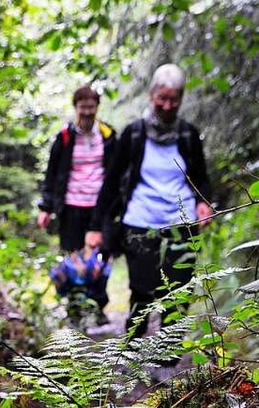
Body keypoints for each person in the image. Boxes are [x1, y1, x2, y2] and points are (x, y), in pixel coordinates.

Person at [86, 63, 214, 346]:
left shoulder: (188, 135)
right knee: (142, 291)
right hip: (139, 225)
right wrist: (96, 227)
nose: (167, 105)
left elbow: (201, 178)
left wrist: (204, 203)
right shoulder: (133, 134)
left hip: (182, 226)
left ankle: (168, 358)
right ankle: (131, 351)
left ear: (181, 99)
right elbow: (111, 184)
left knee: (179, 293)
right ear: (151, 95)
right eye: (162, 98)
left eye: (174, 99)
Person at [37, 85, 117, 327]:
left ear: (97, 108)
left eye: (91, 108)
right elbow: (52, 176)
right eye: (82, 108)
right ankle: (75, 312)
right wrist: (46, 208)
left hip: (100, 208)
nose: (87, 113)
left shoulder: (108, 135)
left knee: (102, 260)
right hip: (71, 207)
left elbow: (117, 173)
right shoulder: (64, 138)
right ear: (75, 108)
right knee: (74, 260)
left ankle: (98, 306)